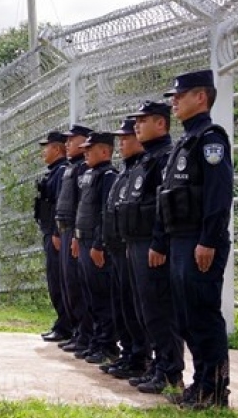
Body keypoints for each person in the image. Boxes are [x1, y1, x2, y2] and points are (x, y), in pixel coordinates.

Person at [156, 69, 233, 409]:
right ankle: (200, 384)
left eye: (180, 95)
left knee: (203, 315)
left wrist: (209, 239)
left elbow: (218, 194)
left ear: (200, 97)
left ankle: (215, 390)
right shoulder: (184, 143)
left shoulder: (210, 138)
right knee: (186, 318)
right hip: (180, 240)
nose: (174, 101)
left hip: (200, 242)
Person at [121, 100, 184, 394]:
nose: (136, 126)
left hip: (153, 244)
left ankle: (170, 371)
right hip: (137, 243)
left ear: (161, 123)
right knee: (144, 308)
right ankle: (158, 366)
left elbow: (163, 206)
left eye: (143, 120)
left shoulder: (165, 158)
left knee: (159, 309)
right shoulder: (147, 159)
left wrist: (158, 242)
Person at [102, 118, 151, 380]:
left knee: (139, 307)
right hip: (120, 247)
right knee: (123, 305)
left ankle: (143, 358)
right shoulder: (125, 171)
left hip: (136, 247)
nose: (122, 143)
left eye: (126, 137)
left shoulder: (143, 167)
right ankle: (130, 354)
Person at [74, 131, 119, 366]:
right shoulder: (91, 174)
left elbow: (105, 213)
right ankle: (95, 341)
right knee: (90, 295)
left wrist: (98, 244)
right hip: (83, 241)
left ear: (104, 151)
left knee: (102, 297)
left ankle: (107, 345)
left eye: (90, 150)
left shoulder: (108, 176)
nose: (85, 153)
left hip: (95, 244)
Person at [54, 124, 93, 356]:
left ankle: (86, 334)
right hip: (66, 230)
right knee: (68, 284)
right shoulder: (71, 168)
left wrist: (76, 235)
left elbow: (83, 206)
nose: (67, 144)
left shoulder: (84, 170)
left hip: (78, 233)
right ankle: (79, 332)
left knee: (79, 285)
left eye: (72, 140)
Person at [34, 130, 73, 343]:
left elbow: (62, 205)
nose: (44, 151)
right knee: (55, 280)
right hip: (50, 232)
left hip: (57, 234)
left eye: (46, 147)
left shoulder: (62, 172)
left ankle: (66, 325)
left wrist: (58, 232)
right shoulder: (55, 172)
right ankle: (63, 323)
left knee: (60, 281)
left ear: (57, 148)